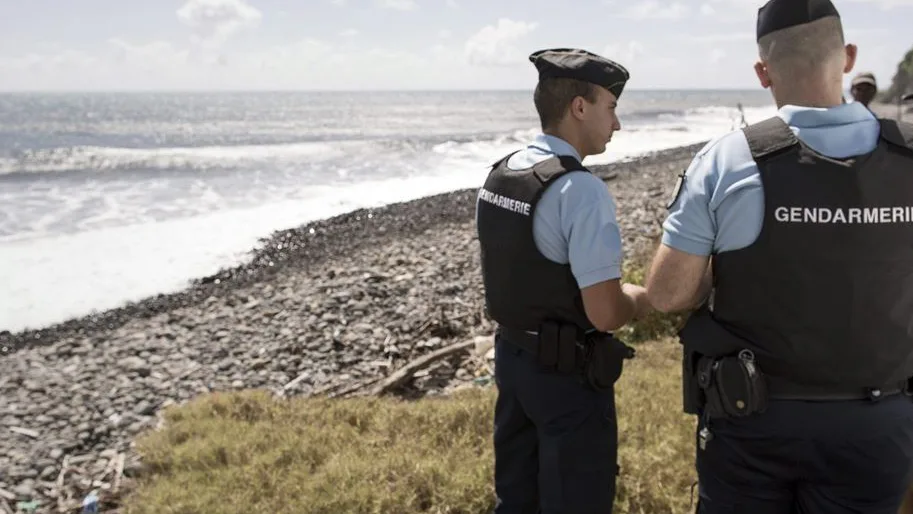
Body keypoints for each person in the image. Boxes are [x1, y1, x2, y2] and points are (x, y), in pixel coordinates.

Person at [643, 0, 913, 512]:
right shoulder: (907, 156)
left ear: (763, 73)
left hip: (753, 420)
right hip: (878, 423)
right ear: (848, 57)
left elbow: (666, 294)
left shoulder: (728, 160)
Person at [475, 47, 653, 514]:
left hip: (512, 365)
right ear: (580, 107)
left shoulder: (501, 174)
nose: (616, 124)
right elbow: (605, 313)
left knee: (516, 498)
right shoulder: (580, 190)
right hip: (565, 379)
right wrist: (640, 299)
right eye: (611, 108)